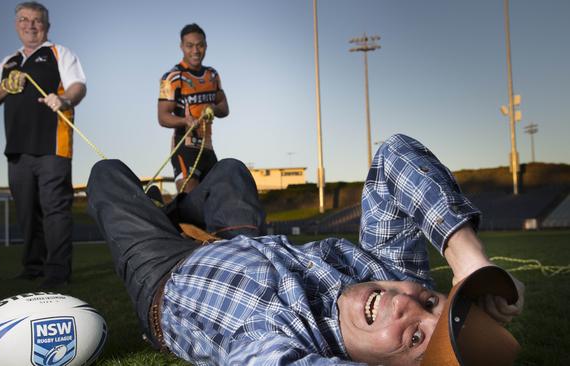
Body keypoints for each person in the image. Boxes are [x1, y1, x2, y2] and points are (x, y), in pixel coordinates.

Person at [86, 134, 525, 365]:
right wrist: (470, 264)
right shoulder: (387, 273)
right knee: (231, 171)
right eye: (431, 300)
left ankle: (164, 216)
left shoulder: (285, 344)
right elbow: (396, 155)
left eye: (415, 338)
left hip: (164, 274)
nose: (405, 304)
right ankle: (180, 209)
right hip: (241, 241)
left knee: (106, 174)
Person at [0, 1, 87, 288]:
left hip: (54, 146)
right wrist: (5, 86)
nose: (30, 25)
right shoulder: (9, 62)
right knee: (27, 212)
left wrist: (64, 100)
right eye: (24, 20)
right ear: (17, 25)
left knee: (55, 209)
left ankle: (57, 272)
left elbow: (78, 86)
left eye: (37, 20)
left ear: (47, 26)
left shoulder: (59, 53)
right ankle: (32, 267)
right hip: (17, 149)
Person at [158, 23, 230, 193]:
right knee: (191, 203)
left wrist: (213, 108)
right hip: (185, 147)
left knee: (216, 202)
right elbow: (162, 116)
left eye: (200, 45)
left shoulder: (212, 75)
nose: (195, 50)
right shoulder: (172, 77)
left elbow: (224, 107)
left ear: (205, 46)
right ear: (182, 47)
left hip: (208, 149)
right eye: (190, 46)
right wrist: (184, 120)